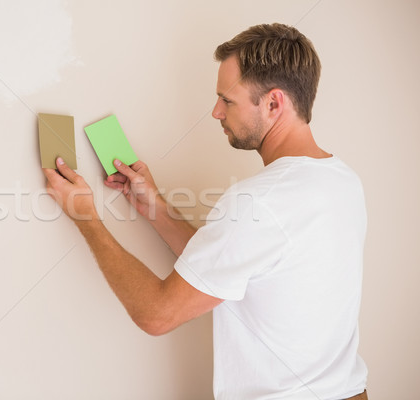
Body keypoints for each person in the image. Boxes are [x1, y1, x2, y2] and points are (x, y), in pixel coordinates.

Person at [43, 23, 368, 400]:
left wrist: (87, 218)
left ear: (274, 103)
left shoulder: (259, 202)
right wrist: (155, 209)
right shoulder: (343, 181)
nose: (215, 112)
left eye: (227, 100)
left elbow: (156, 314)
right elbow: (233, 262)